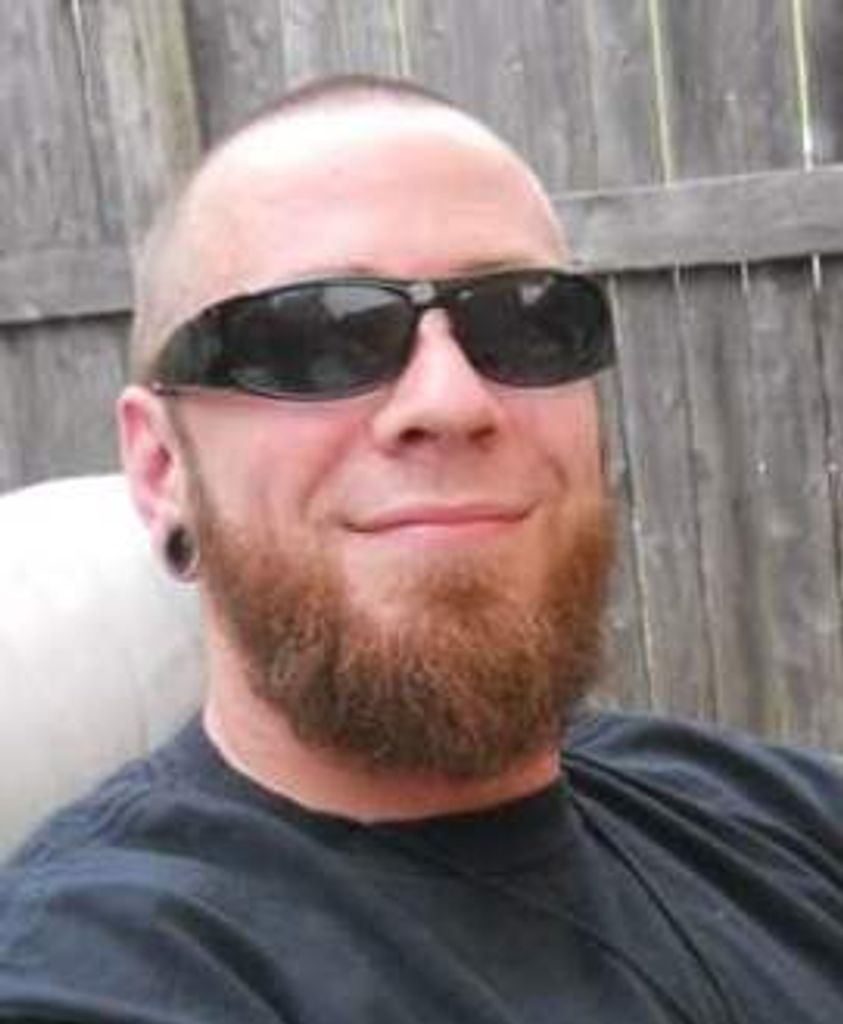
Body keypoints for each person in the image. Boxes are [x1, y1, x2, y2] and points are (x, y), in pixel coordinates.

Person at [0, 73, 840, 1024]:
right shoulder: (103, 970)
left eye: (523, 319)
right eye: (317, 335)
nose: (450, 400)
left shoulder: (770, 815)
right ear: (162, 469)